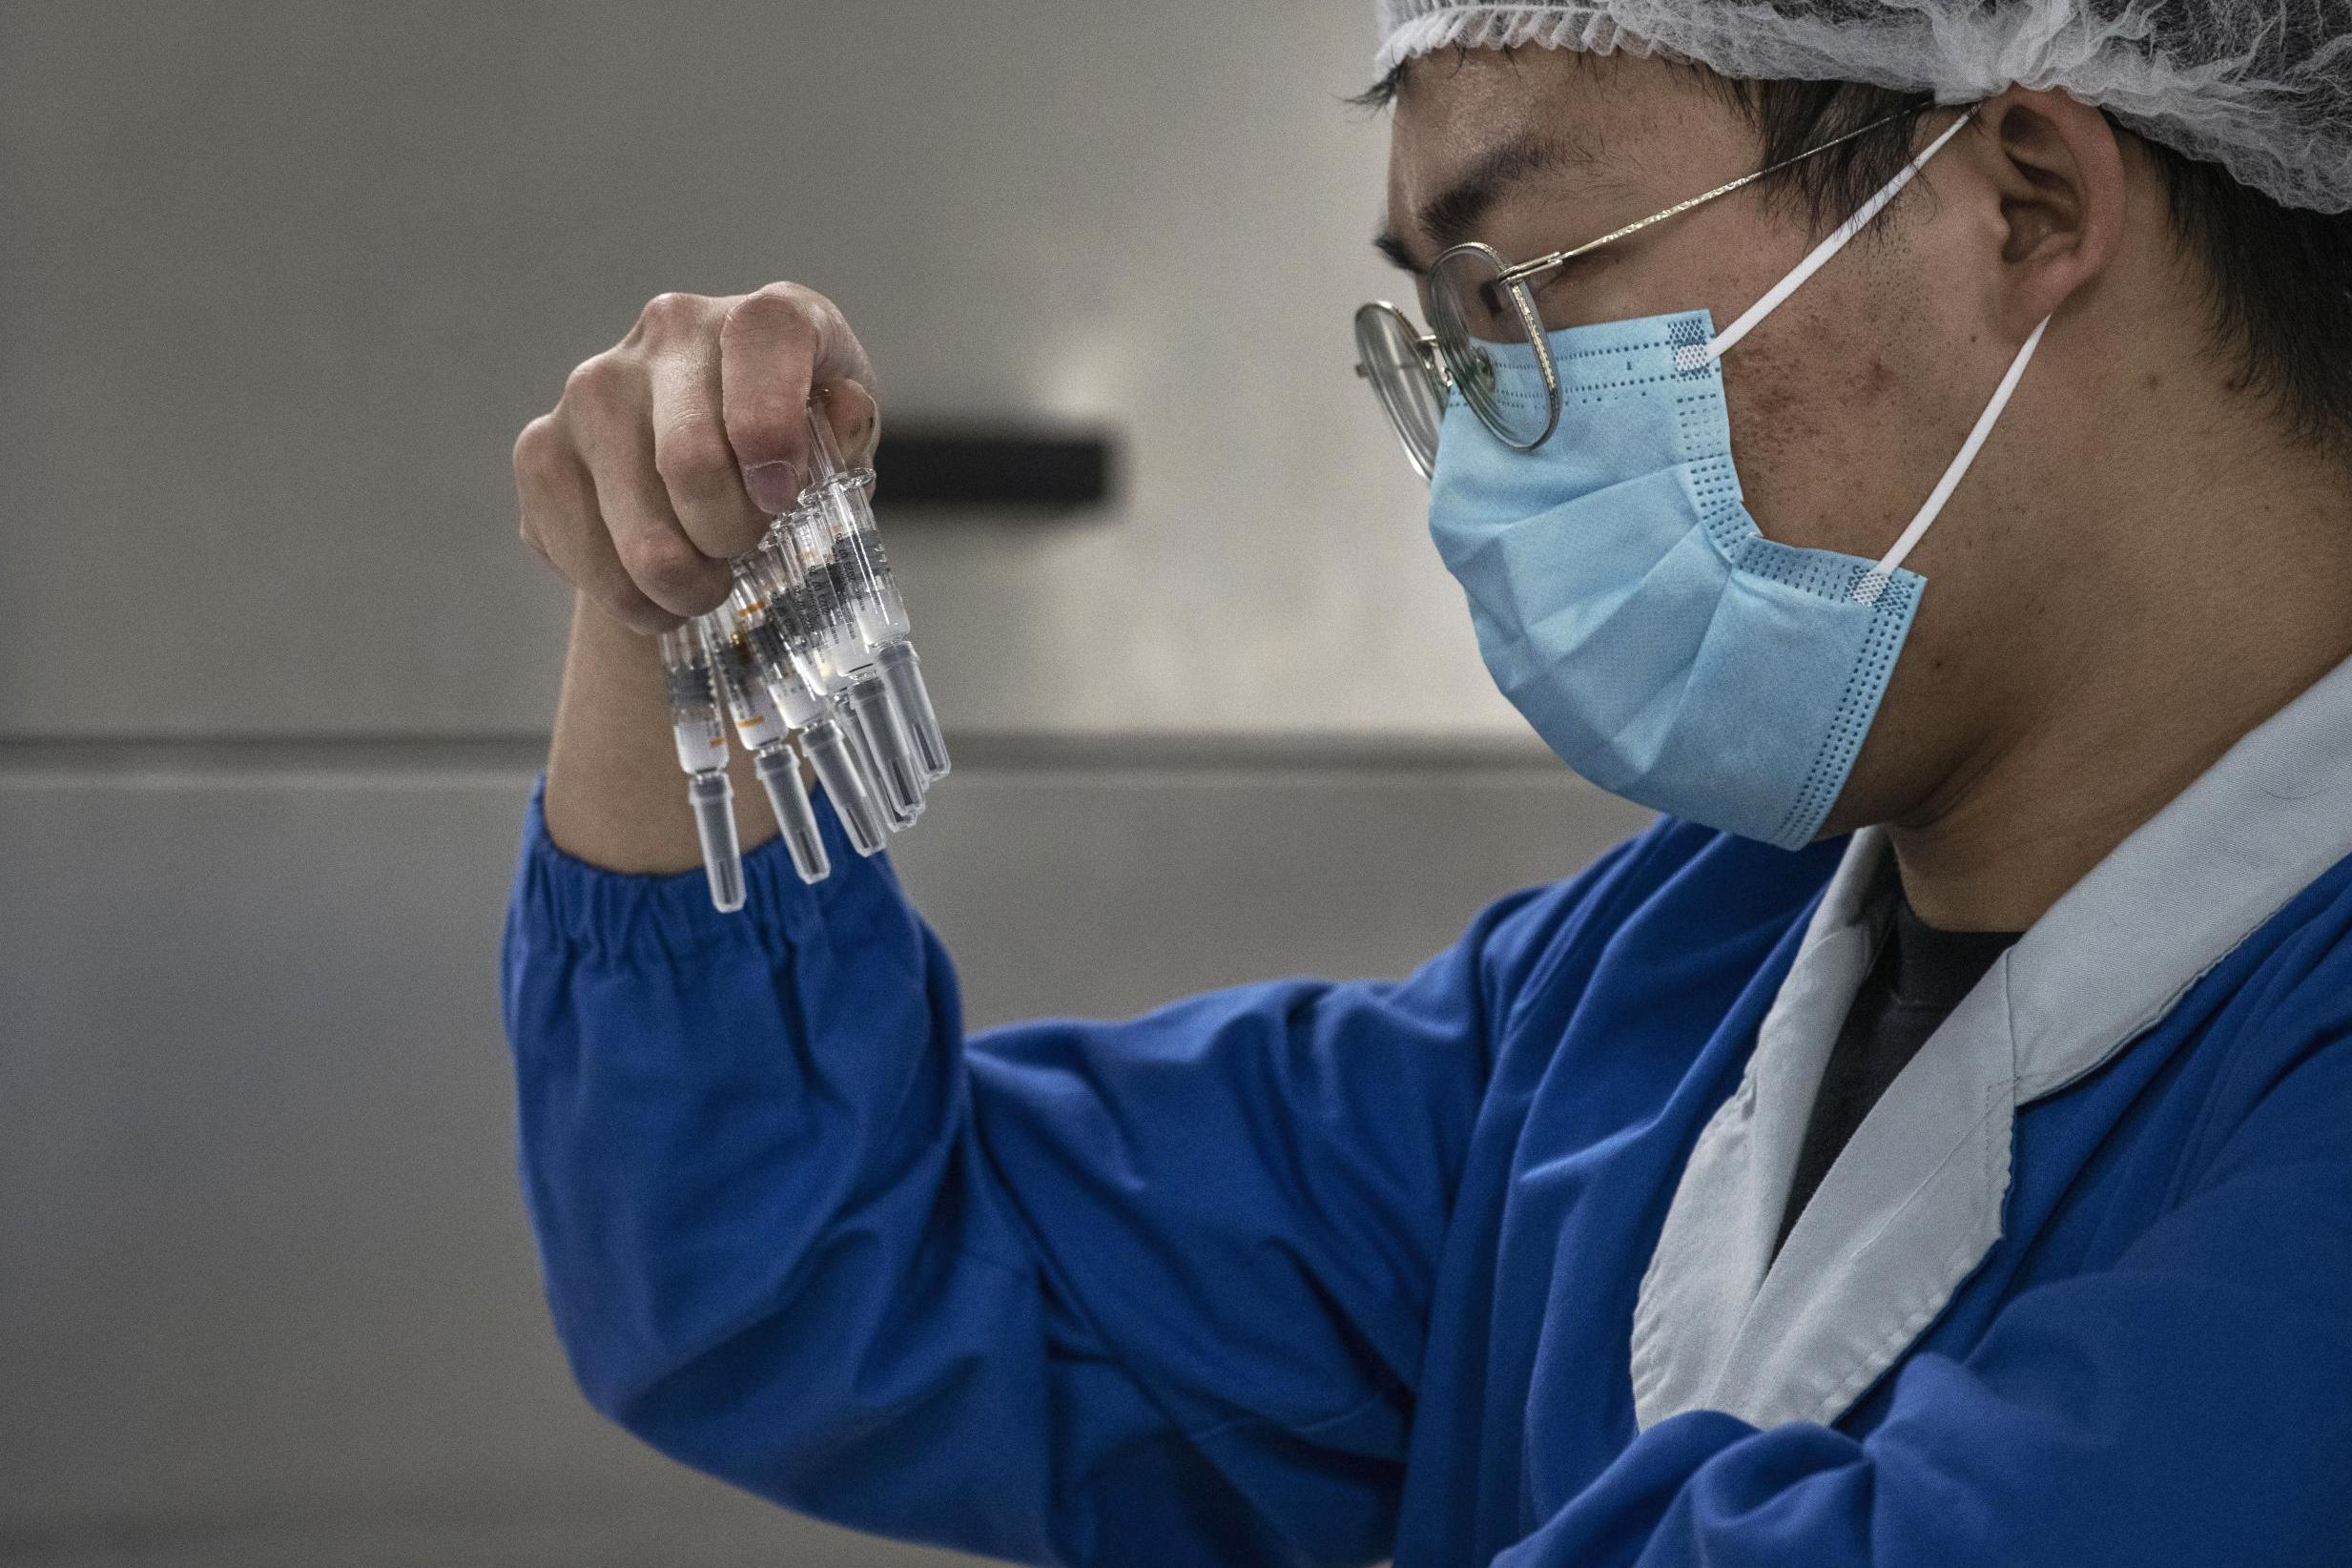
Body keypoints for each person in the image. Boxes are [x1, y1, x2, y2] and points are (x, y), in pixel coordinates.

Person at [501, 2, 2352, 1562]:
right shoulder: (1664, 988)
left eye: (1524, 287)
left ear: (2021, 198)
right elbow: (809, 1276)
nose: (1484, 454)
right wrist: (695, 589)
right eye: (1447, 335)